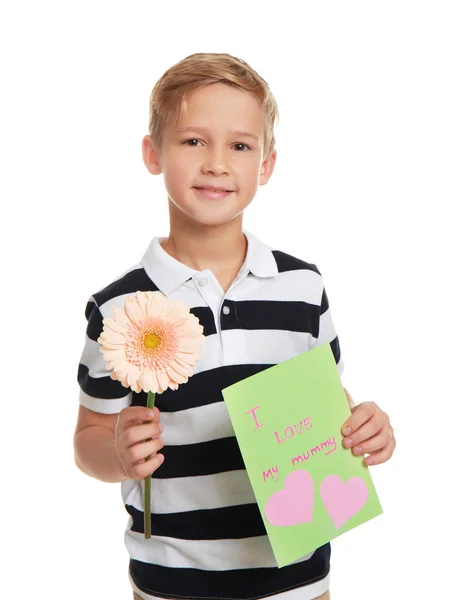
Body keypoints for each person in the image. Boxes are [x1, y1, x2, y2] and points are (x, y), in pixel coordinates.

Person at [74, 52, 396, 600]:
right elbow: (89, 439)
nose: (217, 163)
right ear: (153, 153)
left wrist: (366, 427)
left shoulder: (303, 287)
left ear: (266, 166)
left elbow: (328, 404)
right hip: (171, 582)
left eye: (240, 146)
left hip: (296, 582)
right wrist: (118, 454)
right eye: (193, 141)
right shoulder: (119, 307)